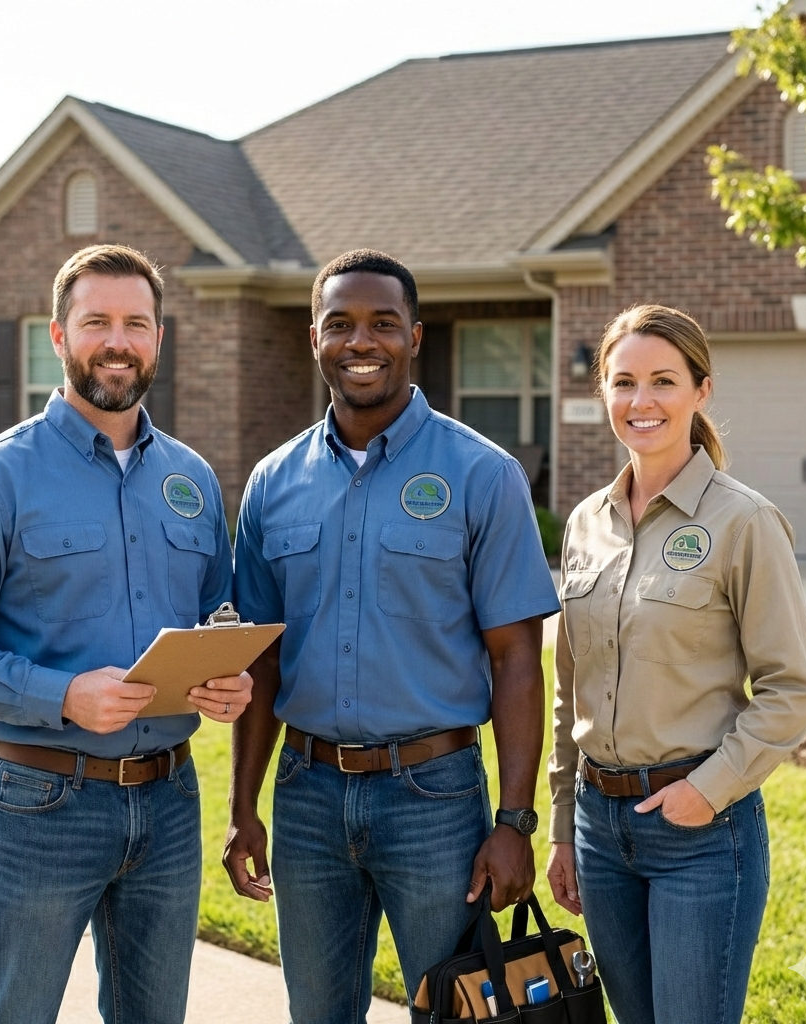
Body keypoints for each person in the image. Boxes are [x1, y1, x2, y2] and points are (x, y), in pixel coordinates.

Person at [0, 244, 253, 1024]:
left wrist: (228, 675)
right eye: (96, 321)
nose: (117, 341)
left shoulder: (191, 479)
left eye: (136, 322)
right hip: (42, 802)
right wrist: (61, 695)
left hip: (169, 802)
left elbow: (216, 614)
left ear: (160, 337)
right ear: (58, 337)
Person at [224, 249, 561, 1023]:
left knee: (456, 1011)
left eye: (382, 323)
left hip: (434, 799)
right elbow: (263, 660)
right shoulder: (274, 483)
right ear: (314, 339)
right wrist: (245, 805)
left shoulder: (483, 473)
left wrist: (513, 822)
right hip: (306, 797)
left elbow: (516, 659)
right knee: (317, 1012)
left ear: (415, 335)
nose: (360, 341)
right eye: (339, 324)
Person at [546, 304, 806, 1024]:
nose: (642, 402)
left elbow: (790, 690)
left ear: (701, 391)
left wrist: (708, 790)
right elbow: (569, 686)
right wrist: (560, 825)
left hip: (700, 833)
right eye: (624, 381)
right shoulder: (585, 524)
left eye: (663, 381)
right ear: (603, 391)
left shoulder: (744, 522)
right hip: (598, 832)